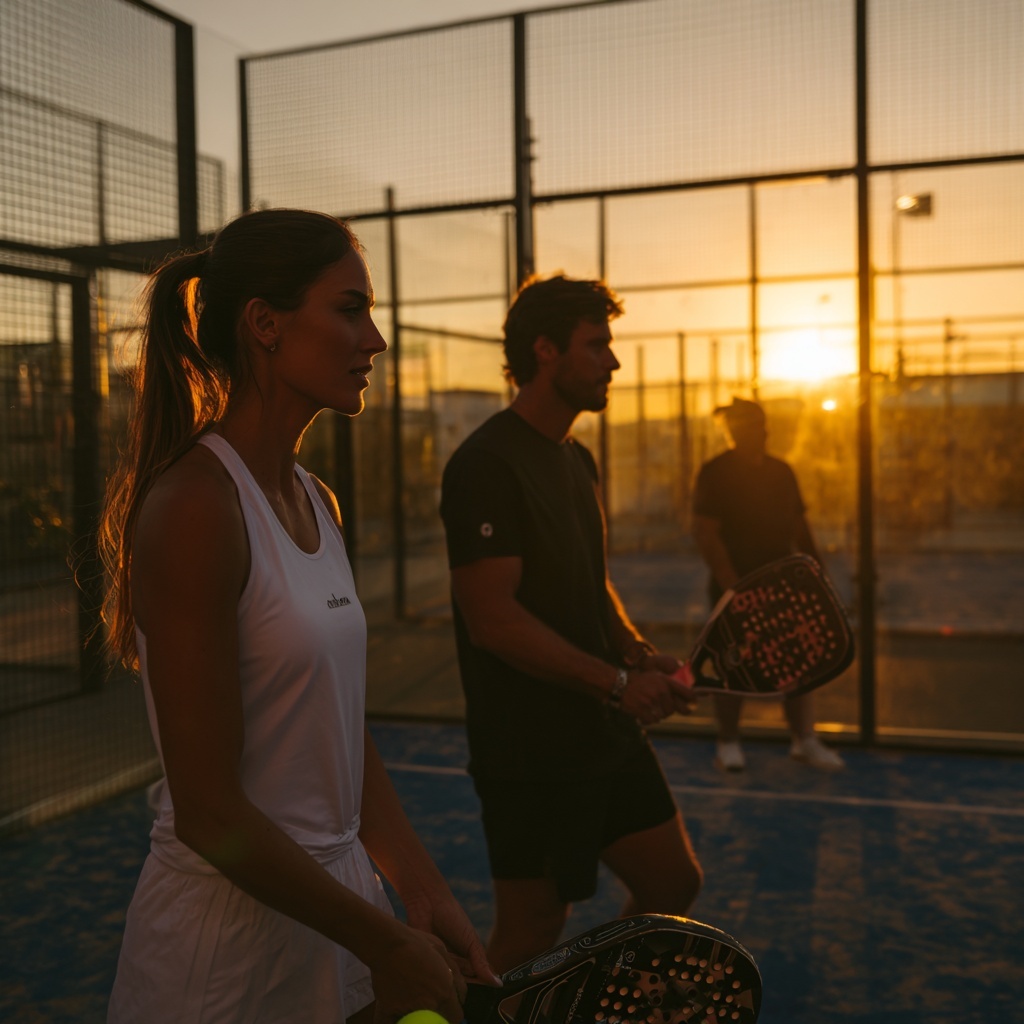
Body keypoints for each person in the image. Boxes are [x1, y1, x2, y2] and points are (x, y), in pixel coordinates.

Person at [99, 209, 498, 1024]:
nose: (376, 339)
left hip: (331, 914)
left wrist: (421, 896)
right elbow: (210, 814)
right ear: (265, 324)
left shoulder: (318, 499)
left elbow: (341, 732)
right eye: (351, 308)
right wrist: (388, 945)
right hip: (225, 950)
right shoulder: (196, 507)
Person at [439, 274, 703, 973]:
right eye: (598, 345)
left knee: (672, 884)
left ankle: (579, 1005)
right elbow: (492, 619)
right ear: (546, 350)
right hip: (529, 749)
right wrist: (616, 684)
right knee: (529, 933)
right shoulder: (485, 465)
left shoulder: (576, 459)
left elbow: (593, 584)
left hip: (601, 729)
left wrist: (636, 654)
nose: (612, 361)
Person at [692, 396, 845, 774]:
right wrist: (734, 588)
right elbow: (706, 534)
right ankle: (728, 742)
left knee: (798, 659)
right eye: (742, 425)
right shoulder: (715, 472)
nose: (753, 431)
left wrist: (817, 576)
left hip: (784, 587)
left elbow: (798, 526)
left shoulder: (781, 471)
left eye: (755, 424)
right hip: (736, 588)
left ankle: (803, 740)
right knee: (733, 663)